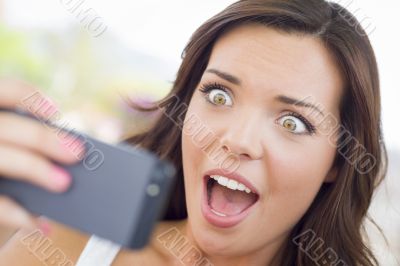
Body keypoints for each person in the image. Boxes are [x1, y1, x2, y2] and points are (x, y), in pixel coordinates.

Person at [0, 0, 388, 265]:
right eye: (219, 95)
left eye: (292, 123)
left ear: (338, 161)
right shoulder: (63, 245)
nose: (237, 140)